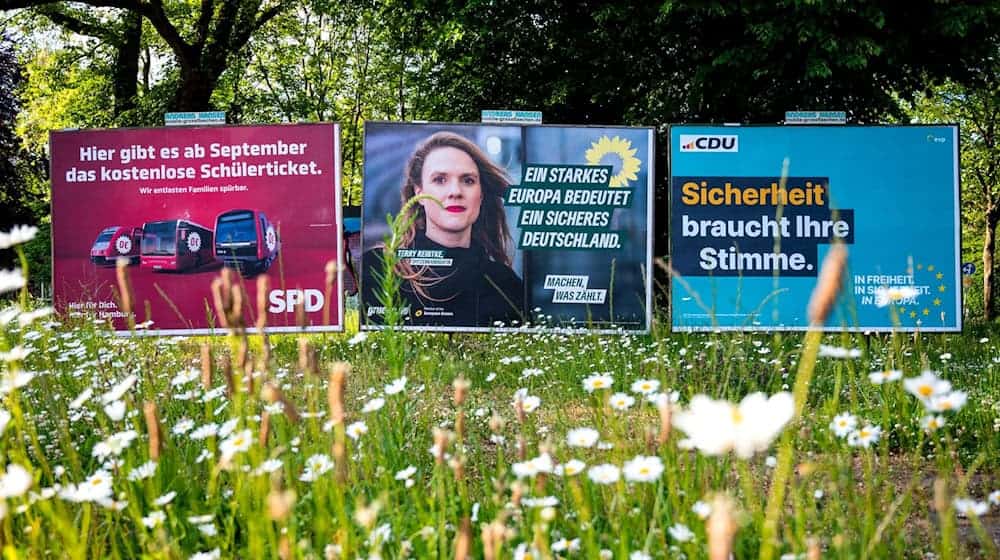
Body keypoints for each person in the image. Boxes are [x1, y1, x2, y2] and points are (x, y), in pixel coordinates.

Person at [363, 131, 525, 328]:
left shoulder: (504, 284)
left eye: (468, 180)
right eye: (440, 179)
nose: (455, 192)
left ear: (481, 194)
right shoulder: (379, 266)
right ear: (419, 193)